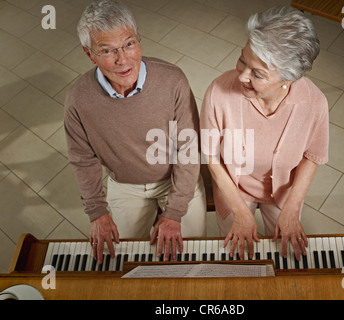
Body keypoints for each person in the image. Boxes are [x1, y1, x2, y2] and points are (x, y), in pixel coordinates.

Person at [65, 0, 206, 263]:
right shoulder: (78, 98)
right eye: (107, 50)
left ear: (138, 36)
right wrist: (97, 212)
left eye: (129, 44)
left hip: (174, 178)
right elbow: (82, 159)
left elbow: (188, 150)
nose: (123, 60)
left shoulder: (173, 79)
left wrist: (174, 212)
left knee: (190, 256)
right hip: (124, 185)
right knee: (120, 259)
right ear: (89, 54)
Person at [200, 7, 329, 261]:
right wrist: (240, 211)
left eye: (257, 74)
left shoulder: (315, 103)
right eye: (242, 60)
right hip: (234, 189)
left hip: (283, 193)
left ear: (289, 78)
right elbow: (212, 158)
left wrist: (292, 206)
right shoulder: (218, 92)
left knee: (284, 255)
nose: (242, 76)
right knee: (236, 254)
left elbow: (311, 156)